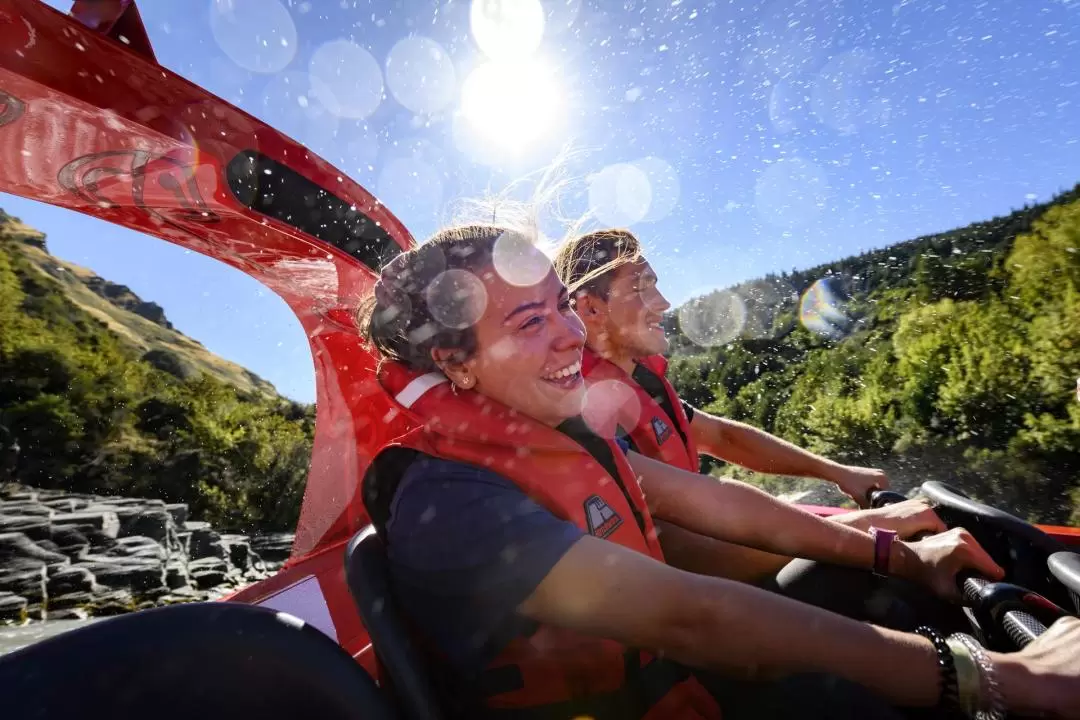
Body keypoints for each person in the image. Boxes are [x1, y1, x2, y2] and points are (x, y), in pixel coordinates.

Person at [355, 222, 1080, 720]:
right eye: (529, 322)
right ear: (454, 363)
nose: (569, 333)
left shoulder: (561, 433)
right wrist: (998, 678)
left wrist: (898, 552)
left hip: (676, 692)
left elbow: (726, 505)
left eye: (558, 309)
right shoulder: (447, 500)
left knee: (864, 616)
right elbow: (692, 614)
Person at [553, 228, 945, 583]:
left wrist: (838, 472)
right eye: (642, 288)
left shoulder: (641, 379)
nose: (664, 303)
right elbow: (686, 555)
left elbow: (723, 437)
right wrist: (870, 532)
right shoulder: (583, 407)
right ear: (590, 309)